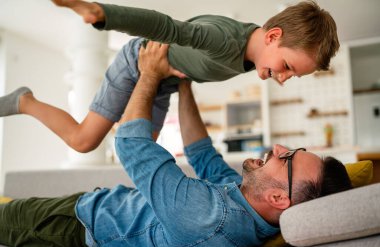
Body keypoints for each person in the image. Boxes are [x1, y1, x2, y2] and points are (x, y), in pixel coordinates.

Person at [0, 42, 352, 247]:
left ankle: (25, 101)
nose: (277, 147)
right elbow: (201, 153)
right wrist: (184, 85)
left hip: (77, 223)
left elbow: (131, 143)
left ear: (280, 199)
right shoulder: (247, 209)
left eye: (286, 159)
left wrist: (152, 73)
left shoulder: (209, 218)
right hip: (100, 206)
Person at [0, 0, 339, 152]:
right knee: (83, 142)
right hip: (140, 63)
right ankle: (24, 101)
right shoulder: (225, 40)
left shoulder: (251, 53)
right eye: (288, 68)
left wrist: (184, 79)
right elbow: (165, 26)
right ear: (273, 36)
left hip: (165, 82)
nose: (283, 78)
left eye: (293, 76)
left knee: (141, 151)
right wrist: (103, 14)